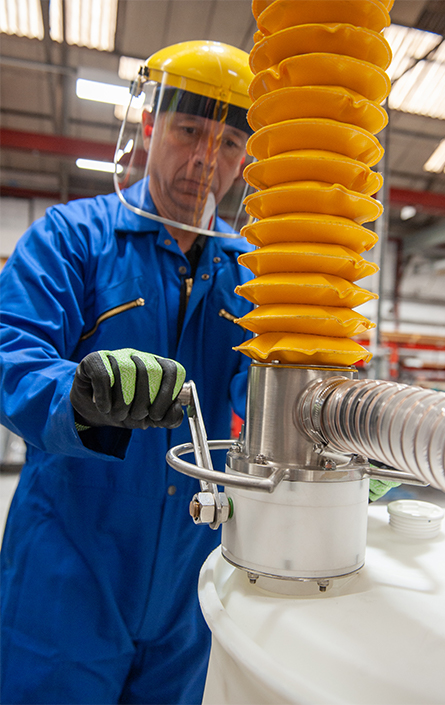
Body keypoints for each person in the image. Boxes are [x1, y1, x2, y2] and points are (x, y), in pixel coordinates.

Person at [0, 40, 256, 705]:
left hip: (187, 581)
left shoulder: (253, 278)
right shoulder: (71, 238)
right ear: (149, 126)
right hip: (68, 566)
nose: (205, 160)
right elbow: (11, 351)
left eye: (229, 143)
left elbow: (259, 401)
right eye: (189, 130)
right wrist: (75, 393)